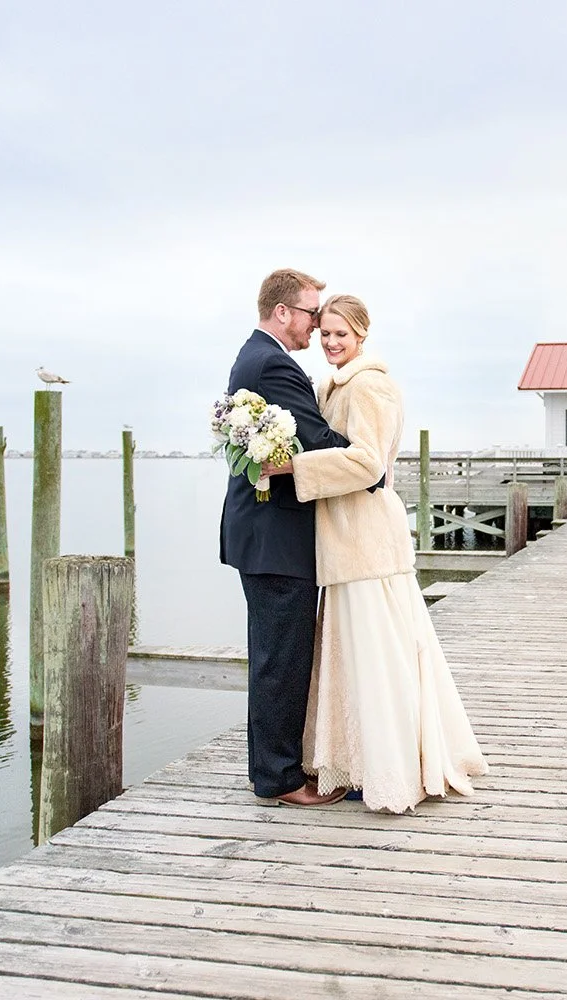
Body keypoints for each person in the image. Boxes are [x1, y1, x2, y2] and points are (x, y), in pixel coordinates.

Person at [276, 294, 487, 813]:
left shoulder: (370, 385)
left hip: (366, 538)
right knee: (354, 656)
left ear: (362, 335)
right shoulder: (331, 383)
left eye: (340, 335)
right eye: (324, 333)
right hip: (343, 538)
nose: (329, 342)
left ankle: (391, 766)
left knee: (376, 654)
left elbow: (368, 464)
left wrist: (294, 471)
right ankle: (359, 760)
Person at [219, 268, 352, 807]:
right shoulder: (273, 363)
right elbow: (316, 437)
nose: (317, 324)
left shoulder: (254, 356)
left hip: (265, 535)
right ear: (283, 313)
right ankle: (279, 779)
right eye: (311, 313)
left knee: (278, 653)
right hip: (275, 538)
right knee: (281, 657)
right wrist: (366, 455)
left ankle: (275, 767)